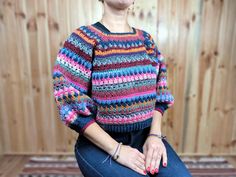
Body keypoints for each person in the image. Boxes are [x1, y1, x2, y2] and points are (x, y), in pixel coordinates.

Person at [52, 0, 192, 176]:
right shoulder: (83, 39)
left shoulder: (146, 41)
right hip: (100, 144)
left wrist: (154, 137)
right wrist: (117, 150)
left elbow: (160, 95)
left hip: (146, 136)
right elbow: (70, 104)